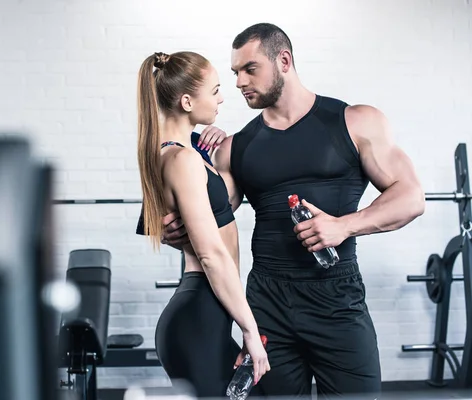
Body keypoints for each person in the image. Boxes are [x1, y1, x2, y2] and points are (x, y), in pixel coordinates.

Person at [159, 23, 426, 399]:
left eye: (249, 69)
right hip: (268, 306)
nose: (238, 82)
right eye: (234, 72)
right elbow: (212, 222)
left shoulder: (354, 122)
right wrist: (175, 232)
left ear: (283, 60)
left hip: (337, 302)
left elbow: (411, 197)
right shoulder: (236, 147)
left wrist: (344, 227)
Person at [135, 50, 270, 397]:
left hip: (206, 313)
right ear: (186, 100)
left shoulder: (182, 152)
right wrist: (251, 332)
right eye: (214, 90)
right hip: (199, 314)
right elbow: (210, 254)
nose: (222, 97)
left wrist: (209, 146)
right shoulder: (181, 159)